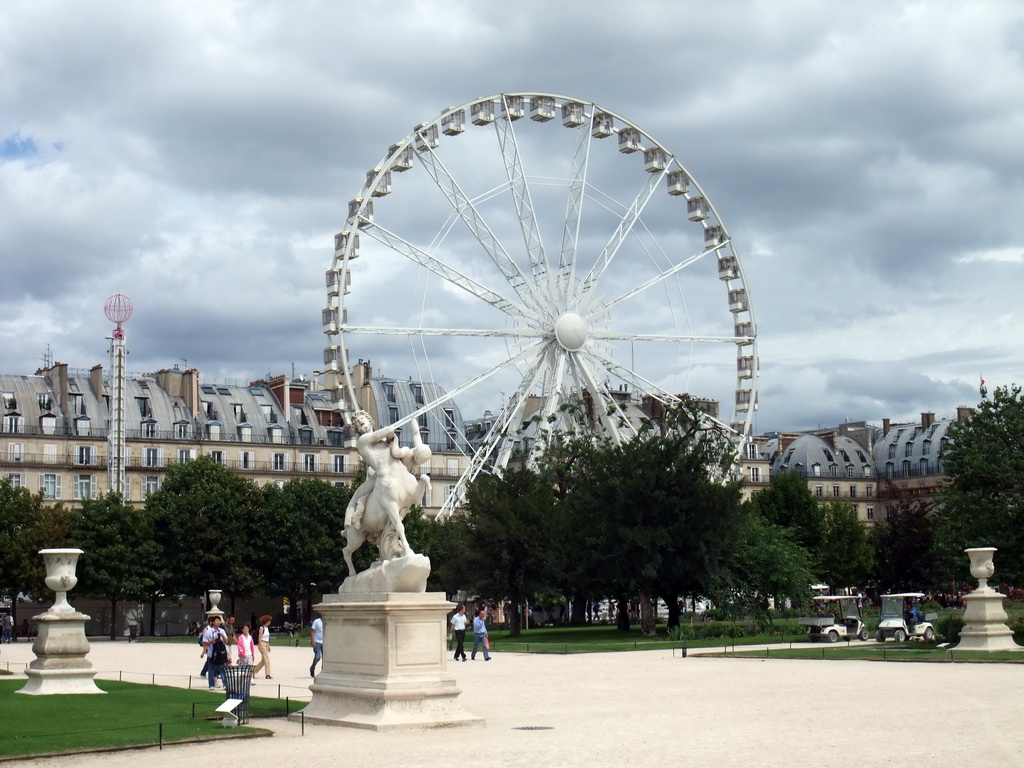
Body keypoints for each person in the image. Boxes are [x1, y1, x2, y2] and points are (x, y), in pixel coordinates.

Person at [201, 616, 229, 690]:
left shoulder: (222, 631)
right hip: (212, 654)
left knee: (222, 670)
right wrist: (213, 641)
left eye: (219, 621)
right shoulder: (209, 632)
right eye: (216, 621)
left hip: (221, 654)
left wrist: (222, 636)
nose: (218, 622)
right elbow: (204, 642)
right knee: (211, 670)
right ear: (213, 622)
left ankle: (225, 684)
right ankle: (211, 685)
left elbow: (226, 641)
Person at [252, 615, 273, 679]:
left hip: (266, 644)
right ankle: (268, 674)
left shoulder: (267, 628)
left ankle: (253, 671)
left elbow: (267, 638)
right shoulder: (262, 628)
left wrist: (268, 646)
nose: (270, 622)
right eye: (269, 621)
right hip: (262, 644)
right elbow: (260, 638)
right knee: (267, 660)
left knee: (263, 661)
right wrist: (260, 646)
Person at [309, 613, 324, 678]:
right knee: (317, 657)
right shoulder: (316, 621)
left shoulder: (327, 621)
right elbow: (312, 631)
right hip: (317, 642)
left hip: (325, 642)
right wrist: (313, 641)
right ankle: (312, 667)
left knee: (325, 658)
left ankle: (323, 671)